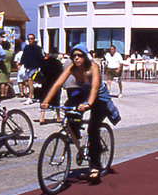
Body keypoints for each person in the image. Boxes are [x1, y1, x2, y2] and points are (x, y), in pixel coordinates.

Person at [41, 44, 120, 182]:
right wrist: (46, 102)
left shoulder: (93, 67)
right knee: (69, 110)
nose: (76, 58)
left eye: (80, 55)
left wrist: (88, 104)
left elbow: (95, 88)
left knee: (93, 128)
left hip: (99, 97)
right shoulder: (72, 68)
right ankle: (75, 134)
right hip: (83, 94)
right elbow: (57, 84)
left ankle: (95, 166)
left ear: (85, 56)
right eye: (74, 56)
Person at [36, 51, 64, 124]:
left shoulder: (45, 62)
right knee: (57, 100)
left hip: (46, 83)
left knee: (44, 99)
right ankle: (58, 116)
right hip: (55, 82)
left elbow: (42, 71)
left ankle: (42, 117)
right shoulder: (58, 63)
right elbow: (61, 72)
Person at [20, 34, 44, 104]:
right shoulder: (26, 48)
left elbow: (41, 58)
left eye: (31, 39)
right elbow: (24, 56)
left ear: (34, 40)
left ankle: (30, 97)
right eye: (29, 39)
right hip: (27, 67)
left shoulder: (37, 48)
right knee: (27, 82)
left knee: (30, 82)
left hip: (34, 67)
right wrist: (20, 63)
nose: (30, 40)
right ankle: (36, 95)